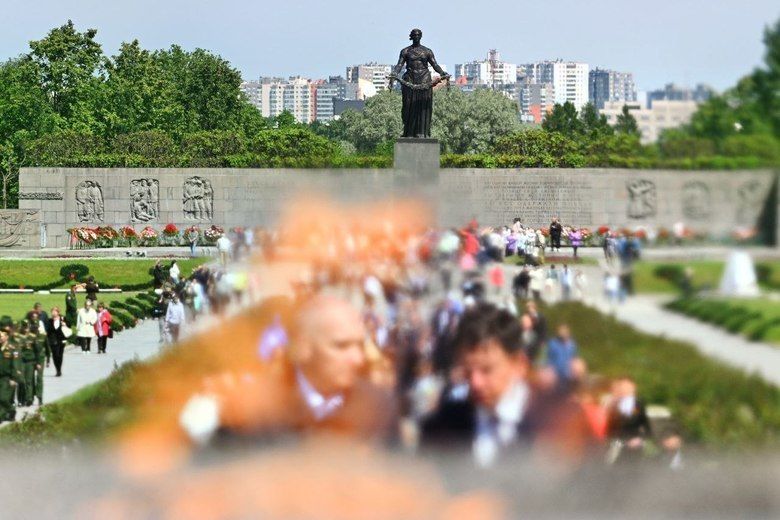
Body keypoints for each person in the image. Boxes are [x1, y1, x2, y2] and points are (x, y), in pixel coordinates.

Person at [420, 303, 592, 468]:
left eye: (487, 370)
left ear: (519, 364)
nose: (475, 382)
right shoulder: (443, 427)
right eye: (467, 372)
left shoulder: (560, 422)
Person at [606, 377, 652, 465]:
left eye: (628, 387)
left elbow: (646, 427)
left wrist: (640, 439)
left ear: (633, 388)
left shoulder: (639, 405)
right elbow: (609, 429)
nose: (625, 390)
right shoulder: (613, 405)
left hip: (636, 448)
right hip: (617, 446)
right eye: (622, 387)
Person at [546, 324, 580, 393]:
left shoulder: (572, 345)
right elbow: (548, 358)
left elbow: (574, 358)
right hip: (555, 375)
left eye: (565, 331)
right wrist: (549, 370)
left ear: (568, 332)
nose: (563, 333)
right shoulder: (553, 343)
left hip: (568, 375)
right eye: (561, 331)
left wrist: (574, 372)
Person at [0, 331, 21, 422]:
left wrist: (14, 379)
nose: (0, 338)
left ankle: (11, 410)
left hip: (7, 377)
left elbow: (15, 365)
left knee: (3, 398)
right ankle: (3, 416)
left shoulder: (12, 349)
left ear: (7, 337)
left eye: (1, 336)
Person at [47, 307, 68, 377]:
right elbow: (48, 330)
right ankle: (57, 370)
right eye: (52, 311)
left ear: (58, 312)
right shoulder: (49, 321)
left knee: (60, 355)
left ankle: (59, 369)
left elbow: (68, 326)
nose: (53, 313)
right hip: (53, 340)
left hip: (61, 339)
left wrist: (65, 324)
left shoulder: (62, 319)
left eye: (55, 311)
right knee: (55, 355)